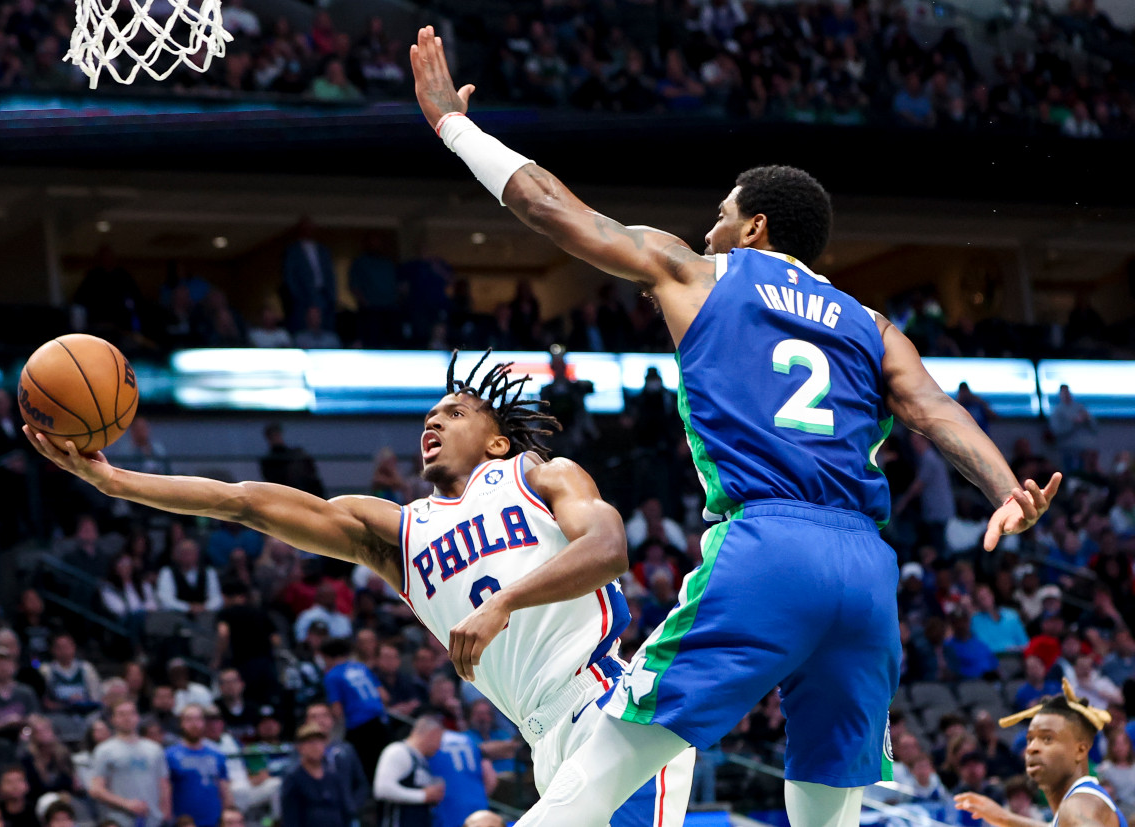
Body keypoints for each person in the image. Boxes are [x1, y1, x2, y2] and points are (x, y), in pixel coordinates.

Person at [409, 24, 1061, 827]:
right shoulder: (870, 323)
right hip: (865, 569)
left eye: (721, 215)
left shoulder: (699, 272)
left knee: (611, 757)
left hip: (767, 543)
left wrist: (455, 127)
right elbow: (935, 409)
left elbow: (549, 207)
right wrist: (1005, 489)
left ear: (754, 227)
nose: (709, 228)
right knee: (827, 803)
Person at [23, 344, 695, 826]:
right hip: (543, 738)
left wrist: (505, 602)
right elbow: (244, 502)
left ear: (497, 442)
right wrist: (115, 482)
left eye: (454, 413)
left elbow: (608, 550)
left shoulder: (539, 475)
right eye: (429, 416)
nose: (432, 422)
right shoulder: (398, 532)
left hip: (609, 706)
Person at [955, 681, 1126, 827]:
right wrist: (1004, 818)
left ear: (1079, 750)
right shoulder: (1077, 801)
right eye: (1030, 739)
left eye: (1048, 739)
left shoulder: (1079, 804)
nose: (1033, 748)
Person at [90, 700, 170, 827]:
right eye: (121, 714)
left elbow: (164, 785)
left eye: (131, 713)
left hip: (153, 820)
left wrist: (165, 813)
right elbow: (96, 789)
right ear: (113, 719)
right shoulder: (104, 750)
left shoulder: (154, 749)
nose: (127, 718)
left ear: (138, 717)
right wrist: (126, 804)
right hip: (120, 821)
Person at [319, 637, 389, 780]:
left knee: (367, 770)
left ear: (326, 657)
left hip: (359, 728)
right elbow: (384, 696)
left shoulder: (332, 676)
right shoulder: (361, 667)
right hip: (381, 722)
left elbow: (337, 710)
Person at [279, 723, 365, 827]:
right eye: (310, 742)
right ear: (300, 747)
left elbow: (344, 810)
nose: (316, 747)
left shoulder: (333, 776)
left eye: (319, 741)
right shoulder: (293, 778)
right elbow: (290, 817)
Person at [374, 716, 446, 827]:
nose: (439, 747)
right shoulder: (398, 751)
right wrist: (423, 796)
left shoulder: (420, 759)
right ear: (431, 734)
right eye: (439, 740)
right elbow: (382, 790)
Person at [165, 705, 230, 827]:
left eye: (198, 719)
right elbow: (165, 789)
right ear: (181, 723)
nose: (194, 724)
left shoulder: (216, 754)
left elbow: (224, 788)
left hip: (214, 820)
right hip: (183, 821)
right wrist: (167, 817)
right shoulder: (169, 755)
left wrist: (228, 813)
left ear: (204, 723)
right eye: (189, 719)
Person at [429, 727, 496, 827]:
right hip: (477, 804)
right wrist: (479, 795)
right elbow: (490, 776)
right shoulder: (468, 739)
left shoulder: (432, 741)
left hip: (447, 806)